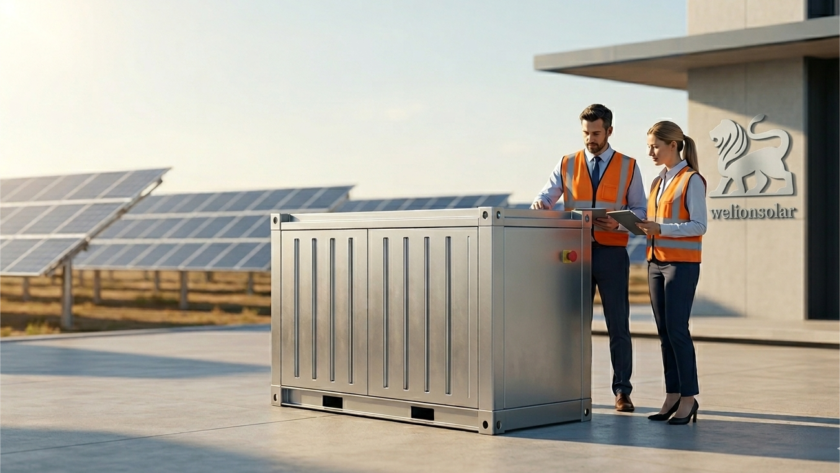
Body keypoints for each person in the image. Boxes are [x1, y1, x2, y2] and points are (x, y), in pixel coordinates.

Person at [532, 104, 646, 412]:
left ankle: (622, 391)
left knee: (617, 325)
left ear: (609, 131)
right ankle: (570, 389)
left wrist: (618, 222)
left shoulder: (629, 166)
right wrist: (541, 203)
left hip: (611, 254)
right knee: (572, 325)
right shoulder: (567, 163)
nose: (590, 139)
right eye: (585, 133)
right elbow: (546, 195)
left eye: (596, 133)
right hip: (574, 255)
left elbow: (641, 213)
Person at [636, 121, 706, 425]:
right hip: (655, 262)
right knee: (665, 333)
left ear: (674, 145)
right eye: (649, 146)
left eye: (655, 146)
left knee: (678, 330)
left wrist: (661, 228)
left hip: (681, 265)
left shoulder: (692, 180)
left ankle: (689, 398)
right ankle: (672, 394)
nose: (650, 152)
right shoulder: (656, 182)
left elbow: (699, 225)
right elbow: (655, 220)